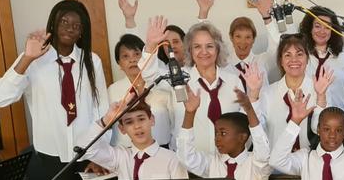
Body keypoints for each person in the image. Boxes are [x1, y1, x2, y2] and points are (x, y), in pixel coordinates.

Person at [0, 0, 108, 180]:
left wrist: (100, 152)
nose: (70, 28)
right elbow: (0, 98)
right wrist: (27, 58)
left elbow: (102, 110)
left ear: (82, 32)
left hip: (87, 152)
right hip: (53, 155)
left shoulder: (92, 61)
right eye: (64, 21)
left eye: (76, 25)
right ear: (53, 24)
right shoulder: (34, 60)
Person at [139, 16, 260, 154]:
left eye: (209, 46)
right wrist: (150, 46)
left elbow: (243, 122)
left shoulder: (233, 81)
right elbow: (149, 74)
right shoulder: (177, 77)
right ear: (189, 50)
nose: (204, 52)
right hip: (187, 162)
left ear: (218, 49)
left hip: (227, 164)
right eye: (197, 47)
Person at [260, 33, 330, 158]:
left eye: (299, 54)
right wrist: (253, 96)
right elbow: (258, 129)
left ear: (307, 59)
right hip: (275, 167)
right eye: (288, 55)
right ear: (280, 61)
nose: (294, 60)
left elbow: (324, 131)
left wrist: (321, 97)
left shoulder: (320, 89)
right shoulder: (267, 93)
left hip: (309, 166)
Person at [107, 34, 173, 148]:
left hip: (162, 150)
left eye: (137, 54)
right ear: (119, 64)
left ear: (146, 58)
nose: (132, 60)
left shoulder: (162, 84)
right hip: (126, 153)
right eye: (125, 56)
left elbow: (175, 120)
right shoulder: (112, 90)